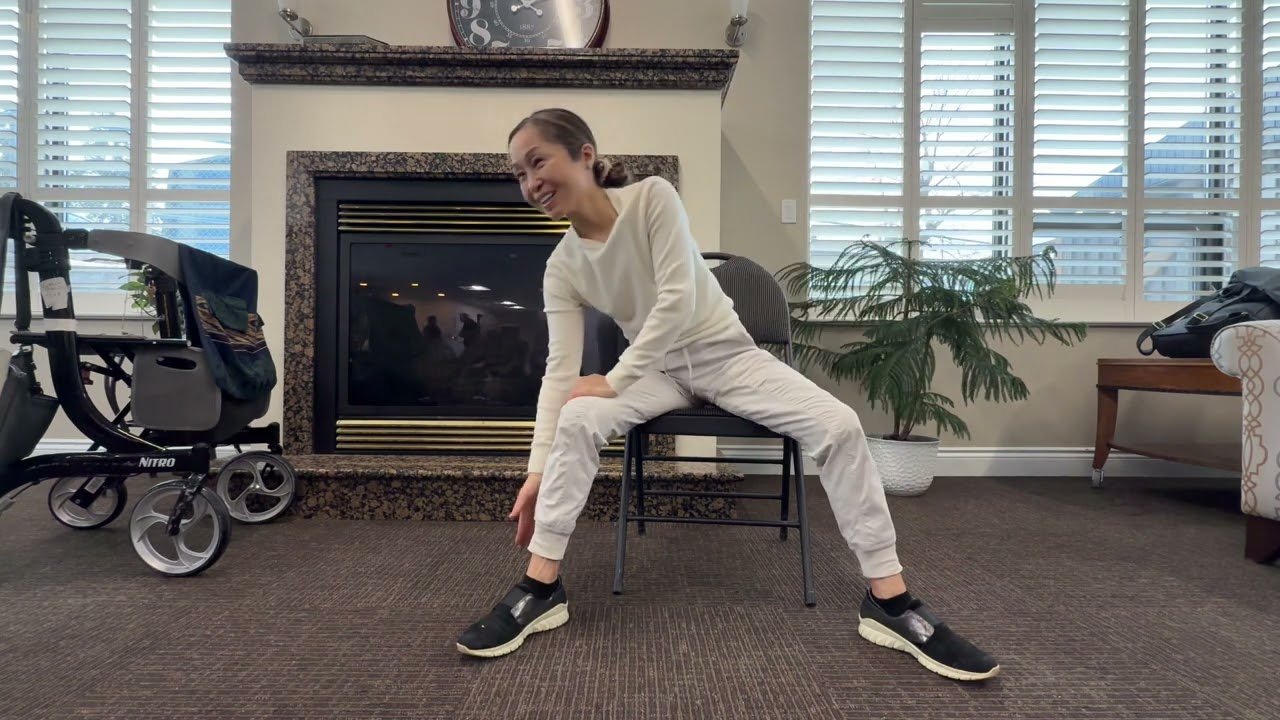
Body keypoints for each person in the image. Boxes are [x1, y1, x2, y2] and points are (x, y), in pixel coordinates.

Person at [455, 108, 1000, 682]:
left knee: (839, 425)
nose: (530, 182)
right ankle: (541, 587)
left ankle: (889, 601)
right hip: (657, 371)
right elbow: (558, 372)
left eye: (537, 162)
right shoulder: (562, 267)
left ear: (584, 154)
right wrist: (537, 469)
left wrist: (614, 378)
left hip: (729, 357)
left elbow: (677, 302)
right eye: (519, 173)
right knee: (577, 416)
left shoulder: (652, 197)